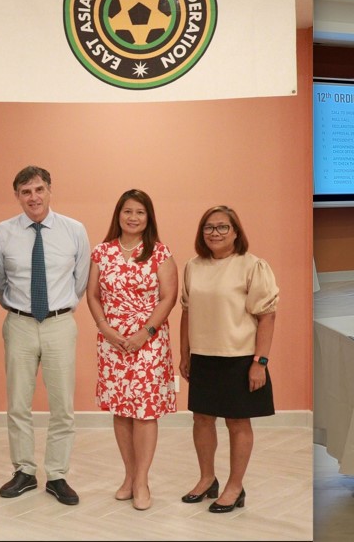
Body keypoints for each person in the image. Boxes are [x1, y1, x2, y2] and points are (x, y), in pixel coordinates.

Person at [0, 165, 90, 505]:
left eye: (38, 189)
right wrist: (18, 309)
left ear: (50, 190)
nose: (33, 197)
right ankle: (24, 471)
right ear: (17, 196)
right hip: (18, 323)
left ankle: (58, 475)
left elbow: (80, 279)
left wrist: (58, 309)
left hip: (60, 323)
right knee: (18, 402)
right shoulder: (2, 232)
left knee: (62, 404)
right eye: (25, 192)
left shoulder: (74, 230)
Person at [180, 205, 279, 514]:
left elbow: (267, 316)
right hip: (204, 357)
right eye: (209, 227)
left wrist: (259, 362)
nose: (215, 233)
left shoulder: (252, 266)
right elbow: (186, 312)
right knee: (202, 419)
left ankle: (235, 487)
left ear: (236, 232)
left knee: (237, 421)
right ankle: (207, 479)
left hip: (240, 357)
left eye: (223, 227)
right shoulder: (193, 266)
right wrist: (185, 354)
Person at [83, 189, 178, 511]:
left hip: (149, 343)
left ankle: (142, 481)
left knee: (145, 412)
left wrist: (145, 332)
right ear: (118, 215)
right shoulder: (102, 252)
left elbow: (168, 297)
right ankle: (128, 475)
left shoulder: (160, 253)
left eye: (140, 212)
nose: (133, 217)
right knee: (121, 410)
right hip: (111, 343)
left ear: (148, 217)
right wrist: (105, 328)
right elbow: (93, 294)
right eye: (127, 211)